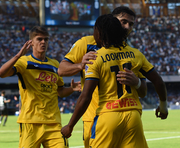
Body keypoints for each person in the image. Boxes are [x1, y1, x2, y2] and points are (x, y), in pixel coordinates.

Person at [61, 14, 168, 147]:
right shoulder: (136, 54)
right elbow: (159, 82)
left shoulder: (94, 57)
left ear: (99, 33)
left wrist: (70, 125)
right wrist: (163, 106)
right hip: (132, 115)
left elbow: (86, 96)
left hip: (107, 116)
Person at [0, 26, 81, 148]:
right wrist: (18, 55)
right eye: (39, 39)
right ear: (31, 43)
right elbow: (1, 74)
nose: (43, 42)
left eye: (46, 39)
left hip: (53, 123)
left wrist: (71, 89)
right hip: (31, 122)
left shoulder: (55, 64)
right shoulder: (23, 62)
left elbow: (60, 91)